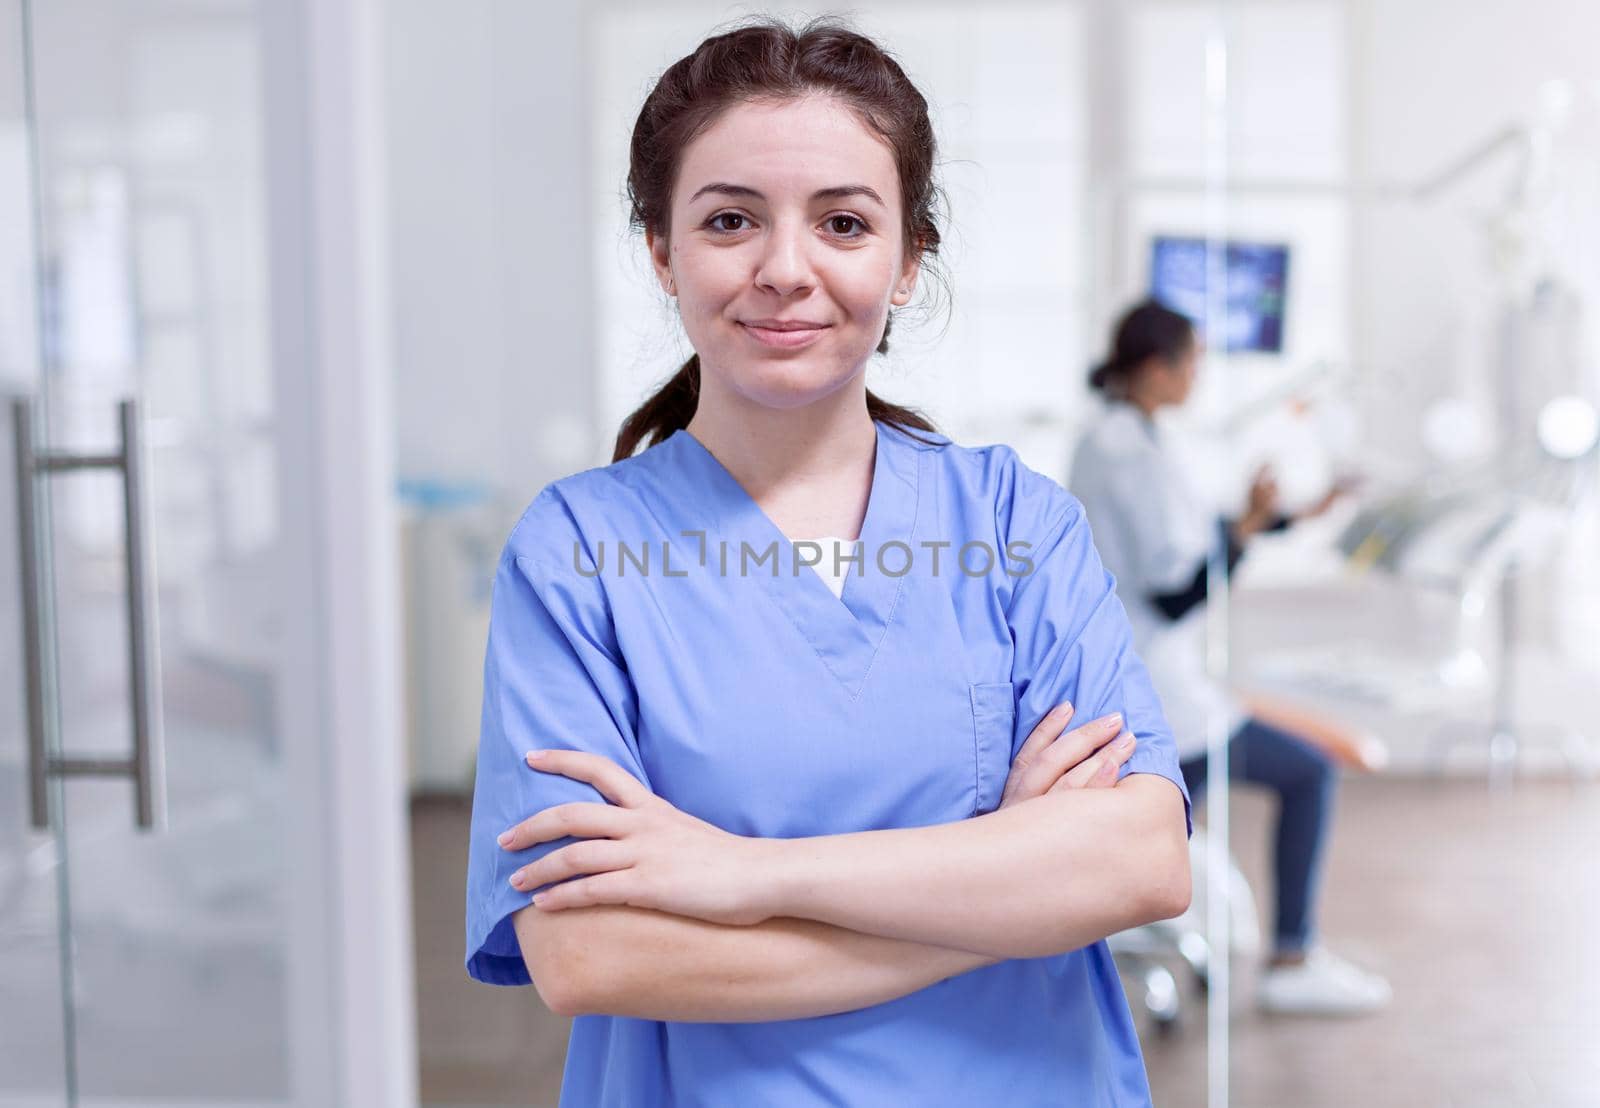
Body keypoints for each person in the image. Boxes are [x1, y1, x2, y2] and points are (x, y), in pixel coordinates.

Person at [464, 17, 1195, 1106]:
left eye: (844, 222)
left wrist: (745, 876)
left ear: (906, 262)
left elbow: (1141, 862)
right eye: (729, 220)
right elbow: (592, 956)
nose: (784, 270)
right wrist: (1001, 877)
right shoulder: (580, 556)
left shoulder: (1015, 524)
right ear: (661, 251)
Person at [1069, 299, 1392, 1015]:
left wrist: (1280, 518)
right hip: (1157, 698)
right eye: (1194, 363)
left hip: (1158, 688)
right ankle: (1290, 957)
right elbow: (1179, 590)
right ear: (1158, 368)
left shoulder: (1132, 436)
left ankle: (1223, 937)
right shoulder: (1124, 450)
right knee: (1307, 773)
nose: (1200, 377)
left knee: (1164, 833)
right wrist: (1245, 530)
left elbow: (1195, 536)